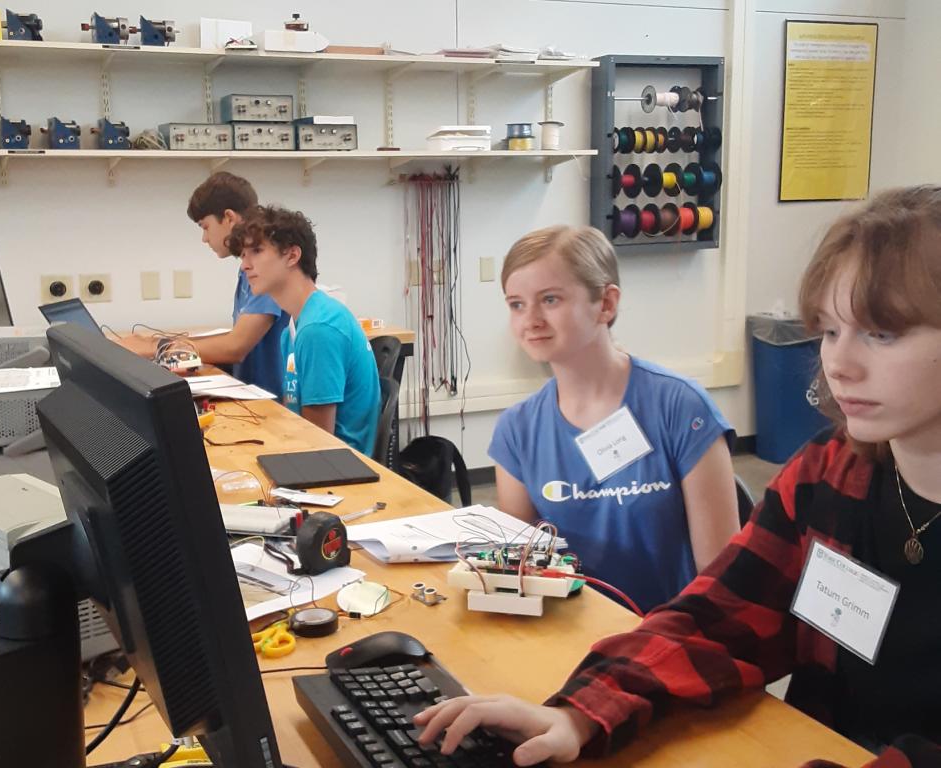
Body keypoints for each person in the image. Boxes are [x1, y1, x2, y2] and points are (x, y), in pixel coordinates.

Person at [414, 187, 941, 768]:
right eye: (830, 330)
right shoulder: (830, 471)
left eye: (881, 334)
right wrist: (578, 712)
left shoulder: (674, 405)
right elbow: (720, 616)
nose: (838, 364)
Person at [489, 225, 739, 613]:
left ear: (605, 304)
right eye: (516, 304)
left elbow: (722, 579)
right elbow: (522, 575)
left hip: (671, 639)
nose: (531, 319)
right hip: (569, 637)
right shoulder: (516, 431)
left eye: (550, 299)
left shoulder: (680, 408)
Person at [116, 172, 289, 397]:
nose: (204, 238)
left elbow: (236, 346)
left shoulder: (264, 268)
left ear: (229, 218)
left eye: (205, 227)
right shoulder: (248, 267)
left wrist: (157, 347)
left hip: (270, 404)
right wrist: (162, 342)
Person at [227, 204, 380, 455]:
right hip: (314, 457)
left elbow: (317, 445)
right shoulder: (292, 328)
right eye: (243, 255)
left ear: (292, 255)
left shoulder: (318, 329)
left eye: (256, 251)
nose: (245, 265)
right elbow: (297, 421)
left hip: (338, 473)